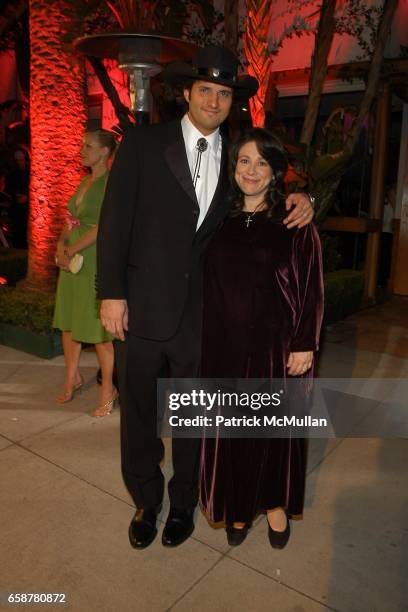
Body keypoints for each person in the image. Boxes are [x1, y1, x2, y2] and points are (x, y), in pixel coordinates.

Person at [96, 45, 315, 550]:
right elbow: (114, 222)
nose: (215, 100)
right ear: (186, 93)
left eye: (223, 93)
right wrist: (111, 293)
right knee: (141, 418)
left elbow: (269, 197)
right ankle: (146, 501)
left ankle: (182, 504)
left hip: (203, 319)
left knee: (195, 420)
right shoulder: (144, 143)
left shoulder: (239, 155)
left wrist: (305, 199)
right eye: (206, 90)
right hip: (141, 311)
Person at [199, 128, 324, 548]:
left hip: (273, 348)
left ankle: (272, 506)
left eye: (262, 163)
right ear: (232, 167)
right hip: (222, 347)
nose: (251, 171)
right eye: (244, 161)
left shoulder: (293, 221)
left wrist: (304, 342)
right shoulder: (218, 219)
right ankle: (237, 507)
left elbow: (312, 286)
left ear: (275, 171)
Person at [53, 129, 118, 417]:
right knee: (69, 322)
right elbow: (72, 219)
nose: (82, 149)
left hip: (92, 259)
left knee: (99, 328)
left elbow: (102, 226)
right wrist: (60, 246)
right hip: (72, 259)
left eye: (88, 146)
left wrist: (72, 249)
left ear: (105, 152)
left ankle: (108, 389)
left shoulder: (110, 184)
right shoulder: (84, 181)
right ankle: (72, 376)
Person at [5, 148, 30, 248]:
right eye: (17, 161)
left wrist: (27, 197)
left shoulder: (31, 173)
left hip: (27, 210)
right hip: (16, 210)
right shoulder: (13, 174)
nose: (19, 163)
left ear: (25, 160)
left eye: (21, 160)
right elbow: (8, 190)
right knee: (17, 234)